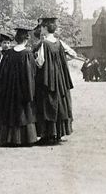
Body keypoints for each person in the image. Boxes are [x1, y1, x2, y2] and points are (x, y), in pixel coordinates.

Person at [0, 24, 38, 147]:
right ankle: (24, 139)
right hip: (23, 90)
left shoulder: (8, 54)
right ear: (26, 39)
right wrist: (30, 91)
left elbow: (2, 74)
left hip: (10, 90)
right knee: (24, 112)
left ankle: (8, 138)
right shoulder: (27, 54)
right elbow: (31, 74)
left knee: (10, 112)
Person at [34, 17, 76, 145]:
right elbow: (73, 54)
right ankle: (58, 133)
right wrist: (60, 60)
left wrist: (35, 60)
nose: (41, 29)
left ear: (45, 28)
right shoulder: (59, 42)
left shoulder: (44, 43)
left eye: (41, 27)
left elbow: (40, 62)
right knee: (60, 102)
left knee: (46, 103)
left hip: (48, 79)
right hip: (60, 79)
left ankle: (48, 135)